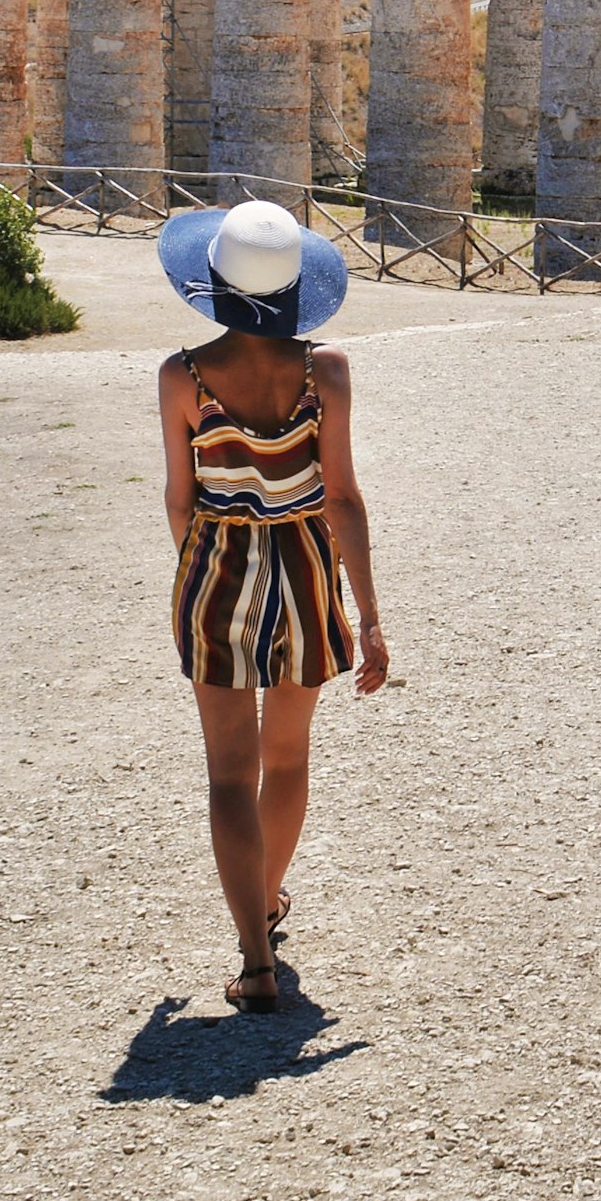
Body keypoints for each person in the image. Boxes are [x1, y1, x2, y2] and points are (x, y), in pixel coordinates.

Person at [154, 198, 386, 1013]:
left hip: (217, 571)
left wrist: (202, 574)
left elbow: (179, 502)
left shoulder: (182, 377)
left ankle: (255, 960)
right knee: (287, 757)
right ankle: (270, 891)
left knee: (228, 774)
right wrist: (370, 615)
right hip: (305, 567)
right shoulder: (328, 372)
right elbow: (345, 499)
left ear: (211, 282)